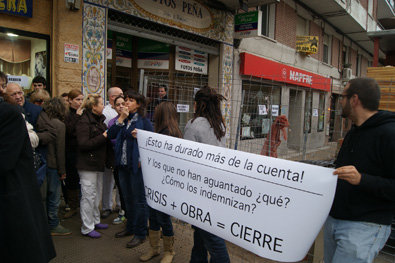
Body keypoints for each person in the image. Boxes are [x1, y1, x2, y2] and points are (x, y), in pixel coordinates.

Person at [324, 77, 395, 263]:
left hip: (364, 226)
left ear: (354, 100)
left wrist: (362, 179)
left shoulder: (389, 134)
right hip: (335, 220)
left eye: (343, 96)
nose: (340, 101)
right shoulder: (354, 132)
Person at [0, 93, 56, 262]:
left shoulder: (8, 114)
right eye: (14, 93)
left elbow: (6, 159)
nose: (18, 96)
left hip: (13, 197)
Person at [183, 86, 230, 263]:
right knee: (201, 236)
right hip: (217, 186)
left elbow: (187, 160)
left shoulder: (193, 125)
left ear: (197, 104)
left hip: (200, 189)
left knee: (213, 239)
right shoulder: (219, 124)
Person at [108, 89, 153, 248]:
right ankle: (130, 227)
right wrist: (121, 118)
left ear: (138, 104)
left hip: (136, 166)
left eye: (131, 100)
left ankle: (141, 233)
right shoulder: (122, 119)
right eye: (126, 99)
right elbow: (111, 134)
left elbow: (151, 143)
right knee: (127, 199)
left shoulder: (144, 121)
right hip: (122, 165)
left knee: (139, 200)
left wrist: (140, 137)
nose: (126, 102)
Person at [139, 101, 180, 263]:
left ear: (162, 114)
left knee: (163, 217)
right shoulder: (164, 131)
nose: (153, 113)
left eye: (156, 111)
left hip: (164, 183)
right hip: (155, 181)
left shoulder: (168, 133)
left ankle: (169, 251)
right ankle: (154, 248)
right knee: (154, 216)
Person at [76, 94, 109, 238]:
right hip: (87, 164)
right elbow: (83, 144)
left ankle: (95, 220)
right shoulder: (83, 121)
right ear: (94, 106)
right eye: (102, 103)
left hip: (97, 163)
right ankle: (87, 227)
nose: (104, 106)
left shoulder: (100, 120)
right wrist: (103, 137)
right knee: (88, 196)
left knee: (96, 194)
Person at [42, 97, 72, 236]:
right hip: (53, 165)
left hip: (42, 163)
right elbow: (60, 150)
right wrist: (62, 171)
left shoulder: (42, 120)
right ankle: (53, 225)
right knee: (54, 196)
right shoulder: (59, 125)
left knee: (44, 196)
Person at [101, 86, 124, 220]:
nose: (121, 105)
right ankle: (106, 207)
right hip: (110, 152)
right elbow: (109, 134)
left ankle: (121, 206)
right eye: (119, 96)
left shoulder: (131, 118)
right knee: (108, 181)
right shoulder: (108, 117)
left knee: (121, 182)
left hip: (122, 156)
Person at [63, 89, 84, 218]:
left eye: (82, 99)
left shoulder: (83, 113)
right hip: (70, 151)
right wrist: (77, 115)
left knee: (82, 180)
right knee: (72, 179)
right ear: (70, 100)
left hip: (82, 150)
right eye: (77, 99)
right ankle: (72, 205)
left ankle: (82, 206)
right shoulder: (66, 114)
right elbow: (69, 130)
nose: (80, 102)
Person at [107, 95, 127, 225]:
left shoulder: (131, 120)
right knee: (120, 187)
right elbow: (112, 138)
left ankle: (128, 212)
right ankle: (122, 212)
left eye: (123, 103)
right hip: (117, 159)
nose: (121, 106)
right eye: (118, 104)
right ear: (113, 106)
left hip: (129, 161)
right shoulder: (112, 122)